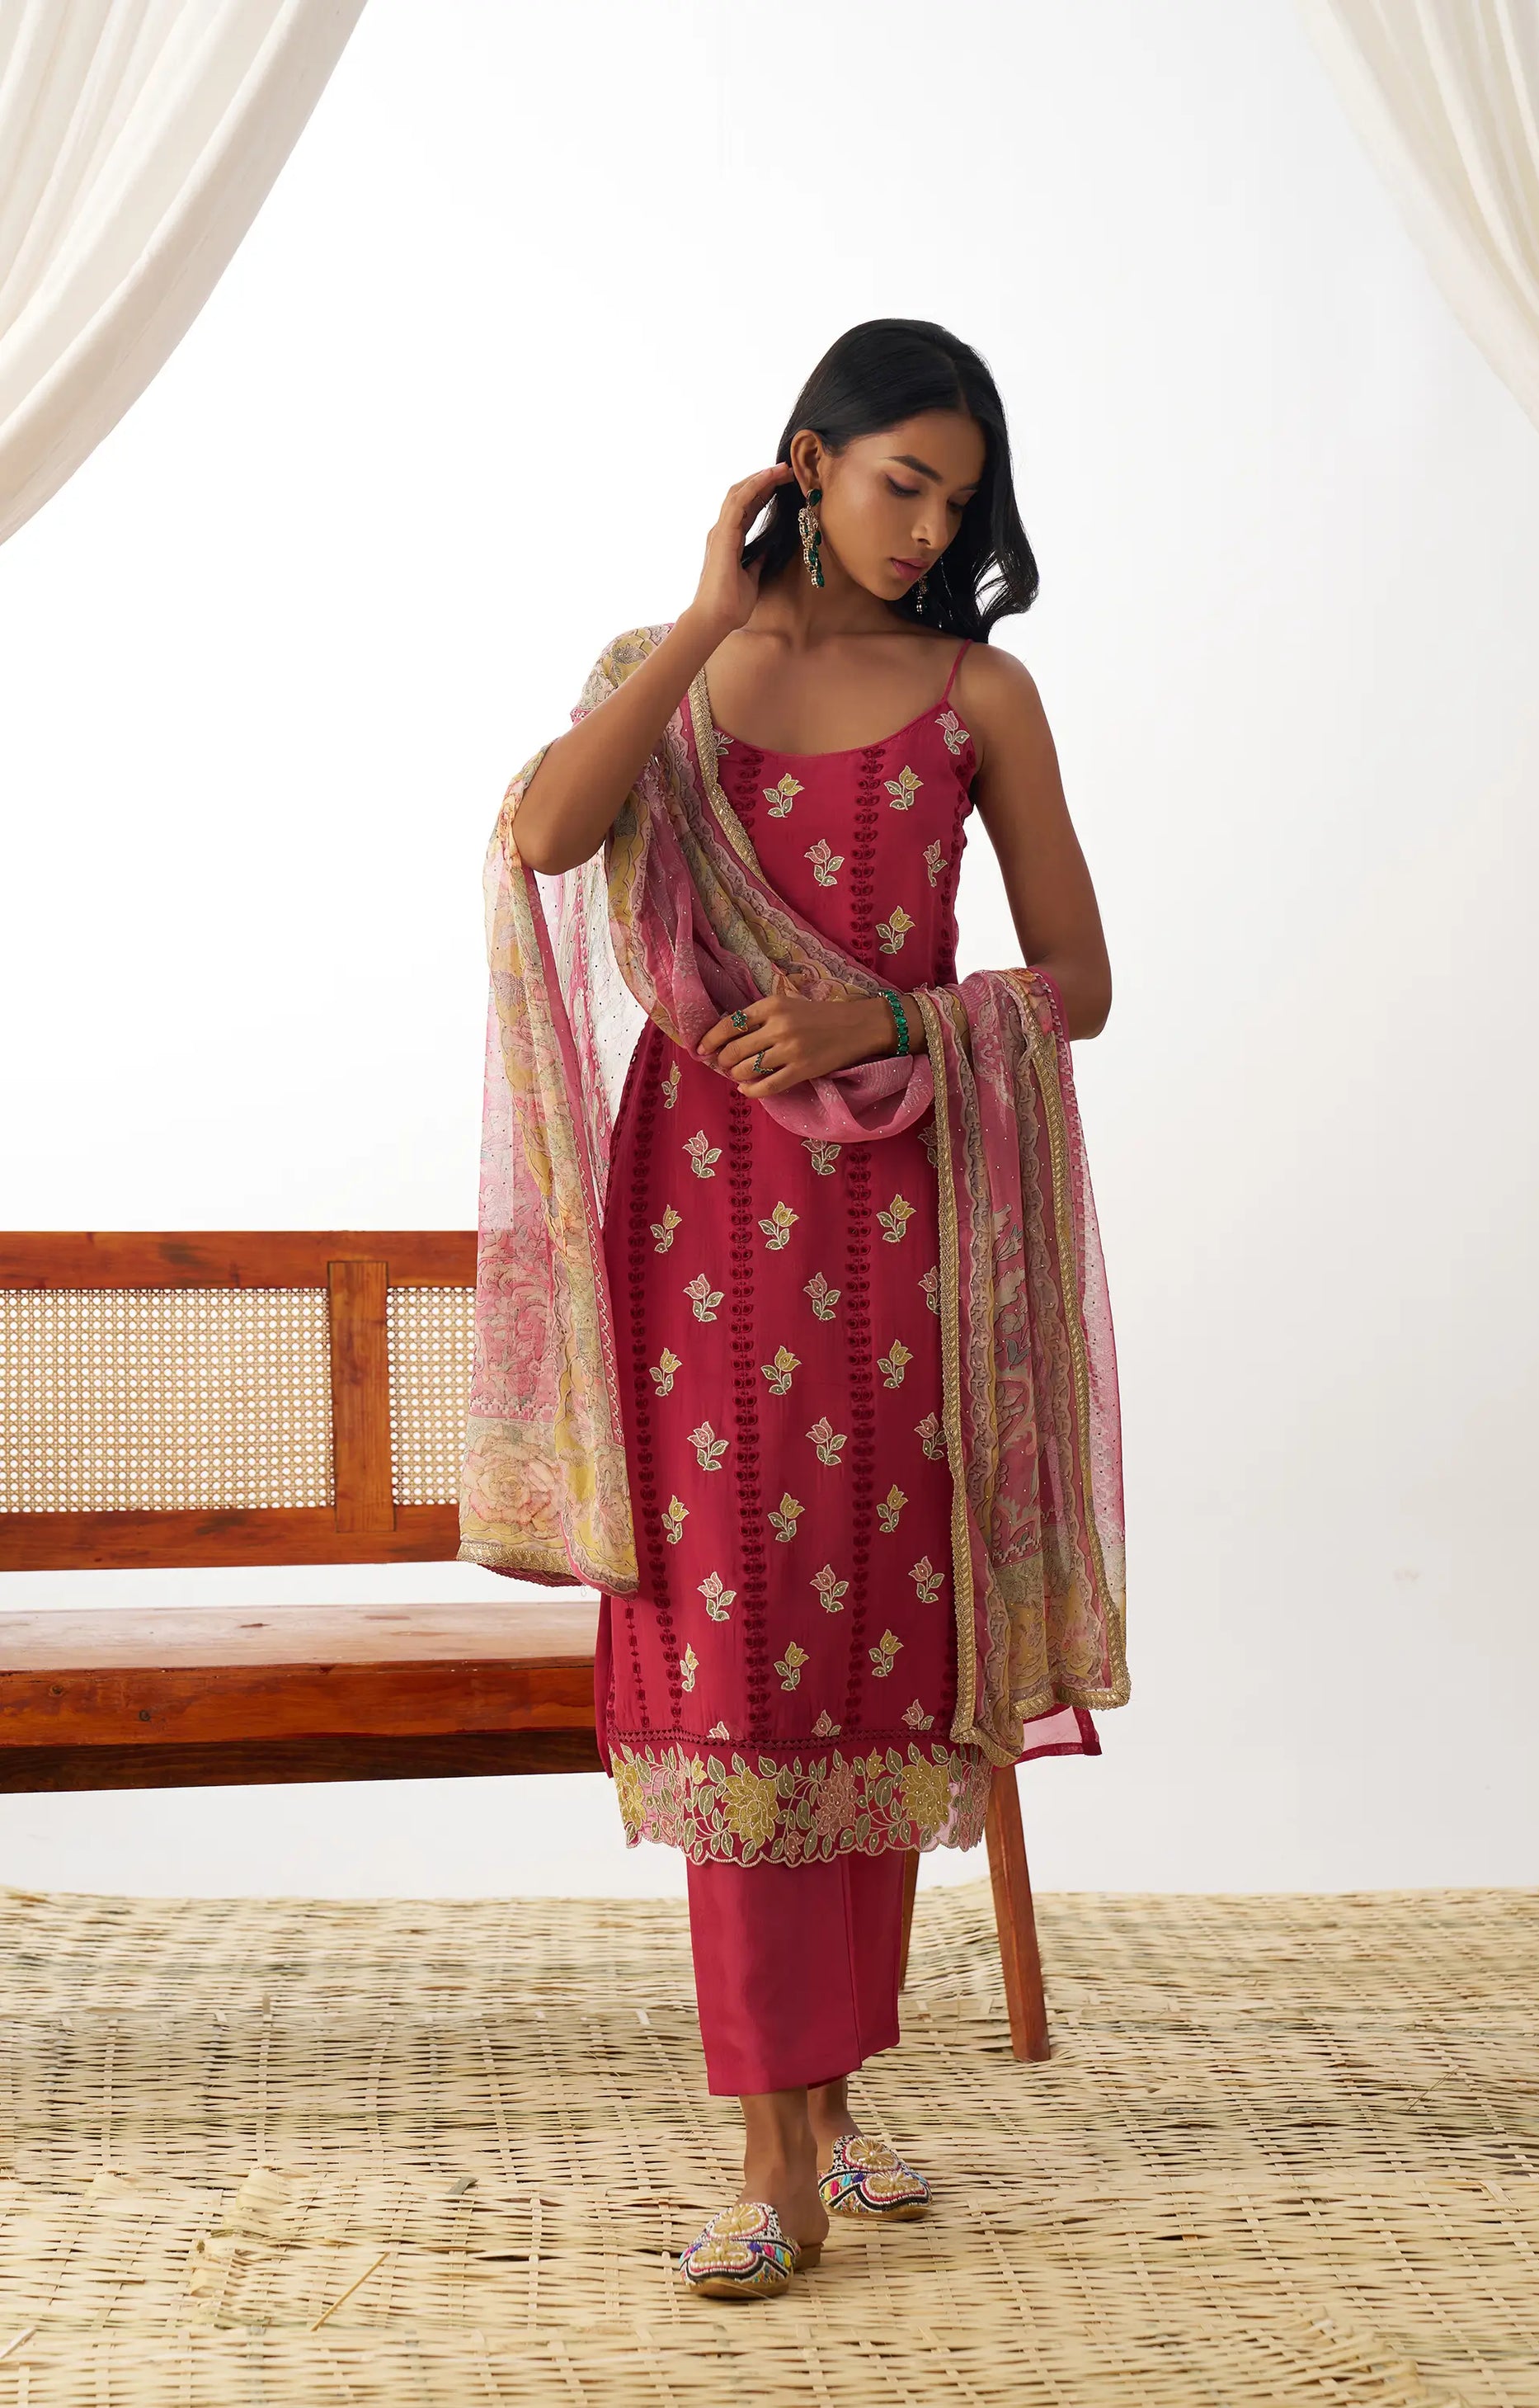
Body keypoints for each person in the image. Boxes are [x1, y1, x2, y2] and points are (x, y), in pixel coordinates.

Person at [459, 318, 1129, 2302]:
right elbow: (543, 837)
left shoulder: (978, 694)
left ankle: (829, 2103)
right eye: (899, 481)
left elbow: (1078, 981)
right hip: (696, 1232)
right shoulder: (667, 679)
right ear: (803, 463)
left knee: (869, 1654)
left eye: (957, 497)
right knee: (736, 1664)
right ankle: (772, 2155)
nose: (928, 528)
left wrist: (888, 1018)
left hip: (906, 1240)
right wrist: (695, 620)